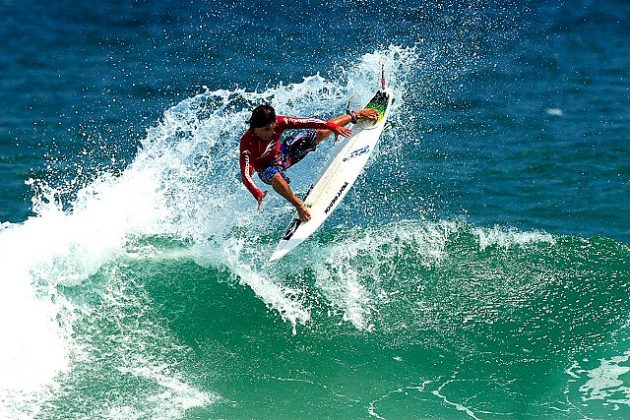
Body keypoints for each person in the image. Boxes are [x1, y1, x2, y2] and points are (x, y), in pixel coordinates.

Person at [239, 104, 379, 222]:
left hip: (283, 153)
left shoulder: (278, 122)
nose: (272, 131)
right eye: (267, 129)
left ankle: (356, 115)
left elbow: (308, 122)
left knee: (320, 133)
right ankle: (298, 204)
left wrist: (332, 127)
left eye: (273, 127)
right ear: (255, 127)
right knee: (275, 177)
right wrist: (257, 193)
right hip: (265, 168)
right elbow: (245, 175)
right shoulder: (247, 144)